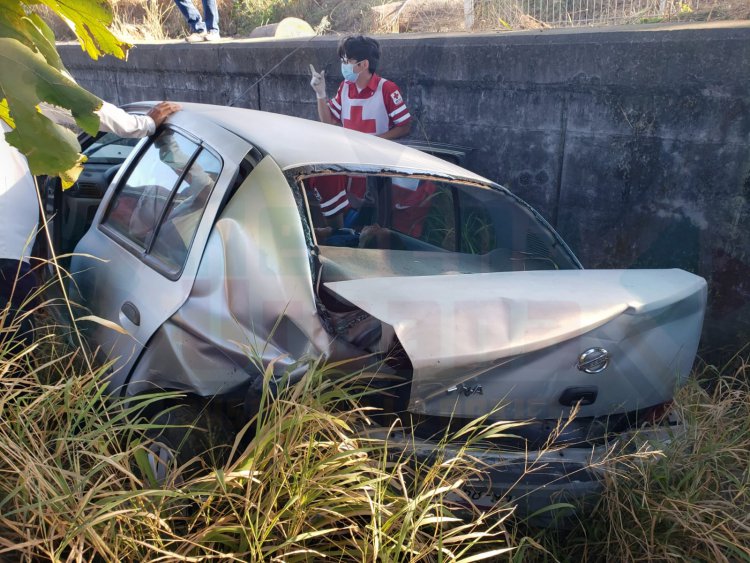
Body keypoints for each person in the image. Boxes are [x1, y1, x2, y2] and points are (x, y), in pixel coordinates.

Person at [0, 100, 180, 345]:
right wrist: (143, 124)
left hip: (8, 252)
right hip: (5, 255)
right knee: (13, 351)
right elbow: (73, 101)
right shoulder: (10, 78)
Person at [308, 35, 412, 232]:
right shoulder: (345, 88)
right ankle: (338, 234)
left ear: (364, 64)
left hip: (376, 167)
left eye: (347, 61)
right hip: (350, 162)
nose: (343, 65)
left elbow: (404, 126)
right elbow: (328, 122)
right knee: (320, 177)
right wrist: (320, 94)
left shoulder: (387, 89)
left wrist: (373, 142)